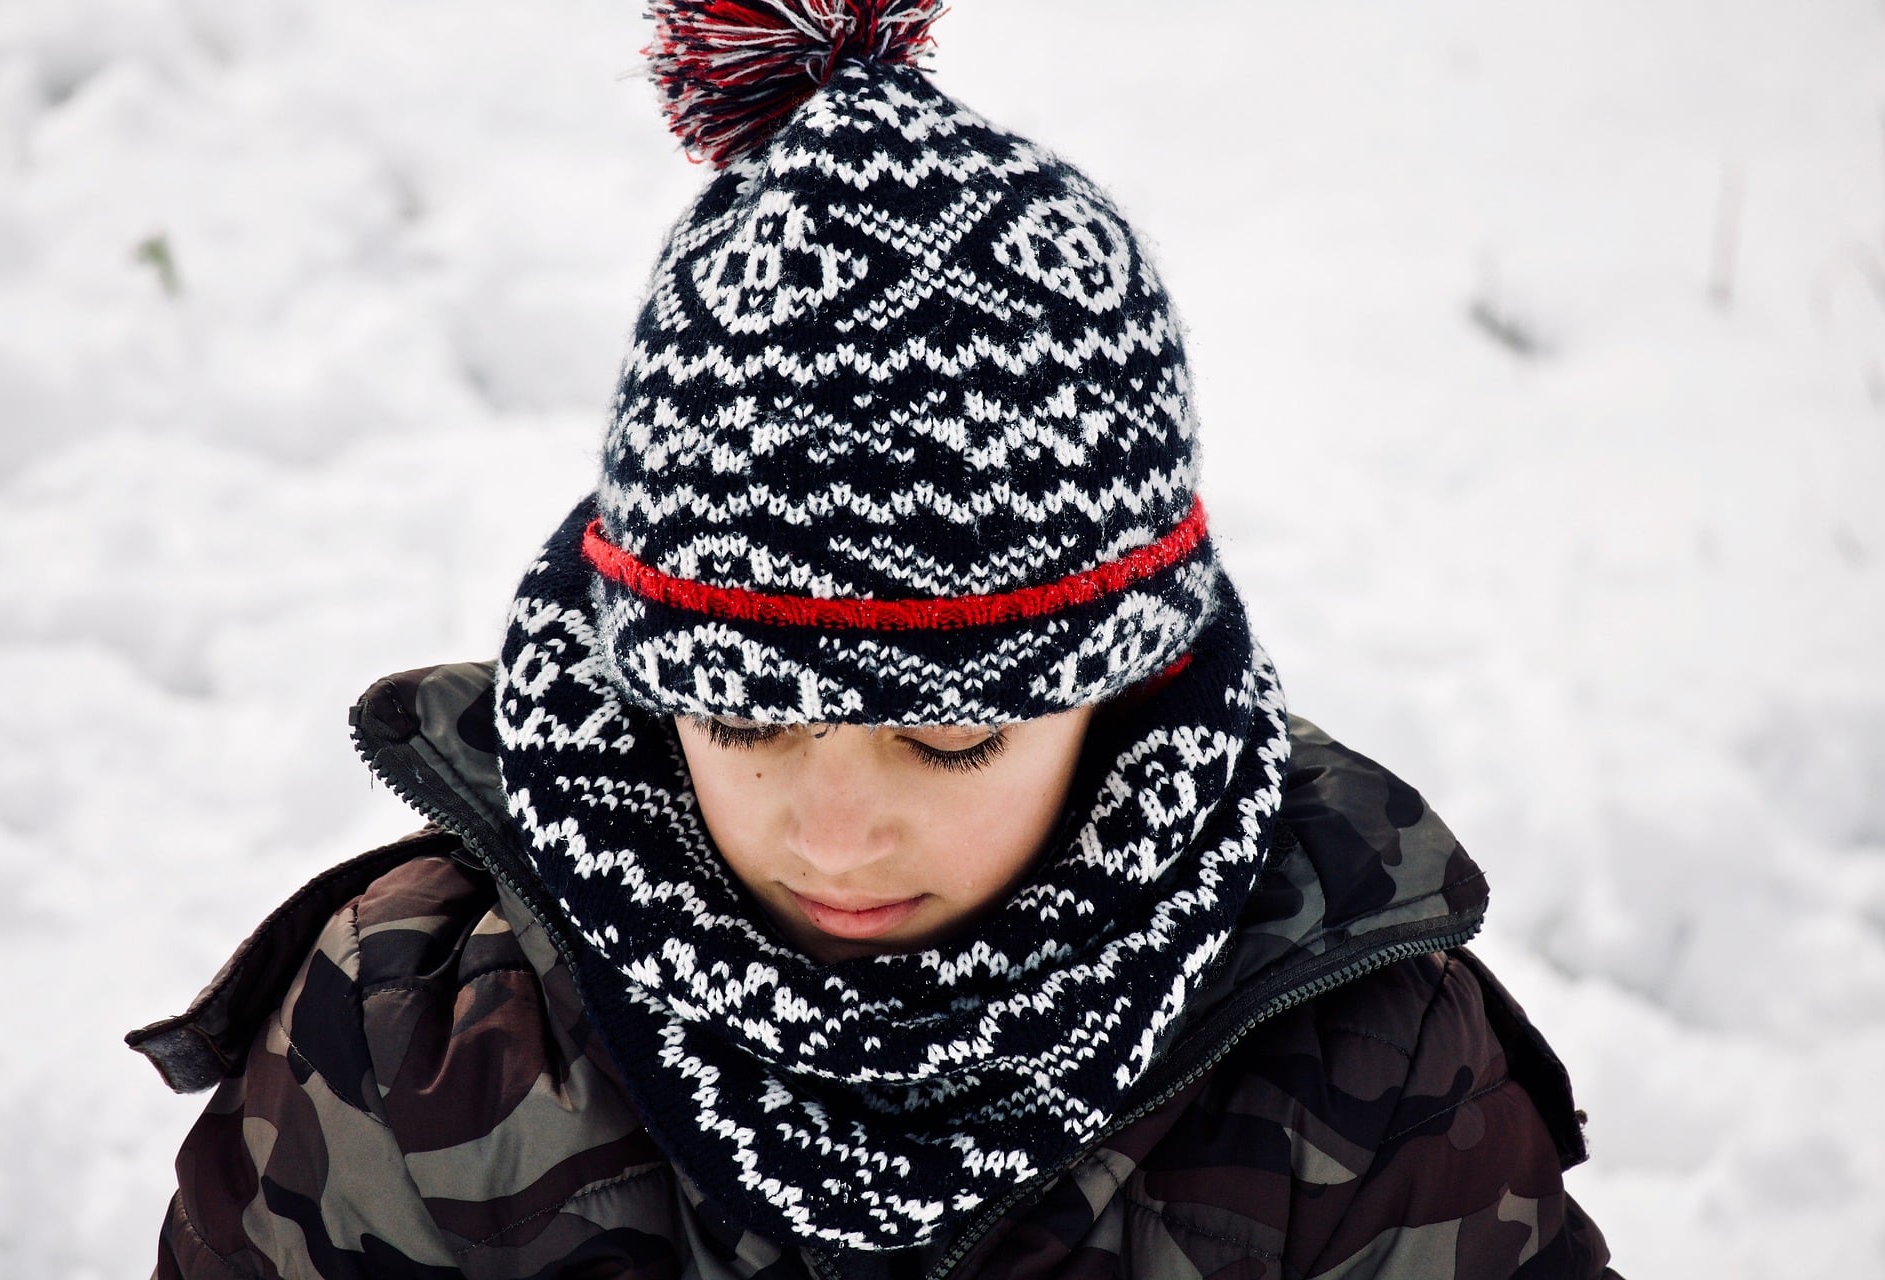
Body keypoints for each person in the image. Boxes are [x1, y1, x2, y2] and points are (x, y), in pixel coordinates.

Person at [130, 3, 1616, 1276]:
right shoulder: (416, 1032)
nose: (836, 835)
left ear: (1128, 686)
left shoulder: (1363, 1076)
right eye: (743, 719)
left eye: (951, 733)